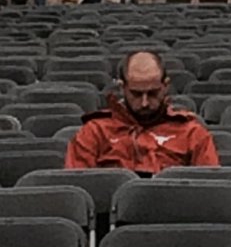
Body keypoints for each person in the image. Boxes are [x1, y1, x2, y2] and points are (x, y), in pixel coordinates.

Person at [65, 49, 219, 172]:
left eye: (153, 93)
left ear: (165, 86)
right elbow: (78, 187)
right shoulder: (94, 132)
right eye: (136, 94)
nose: (144, 103)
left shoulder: (192, 134)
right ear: (122, 87)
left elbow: (207, 194)